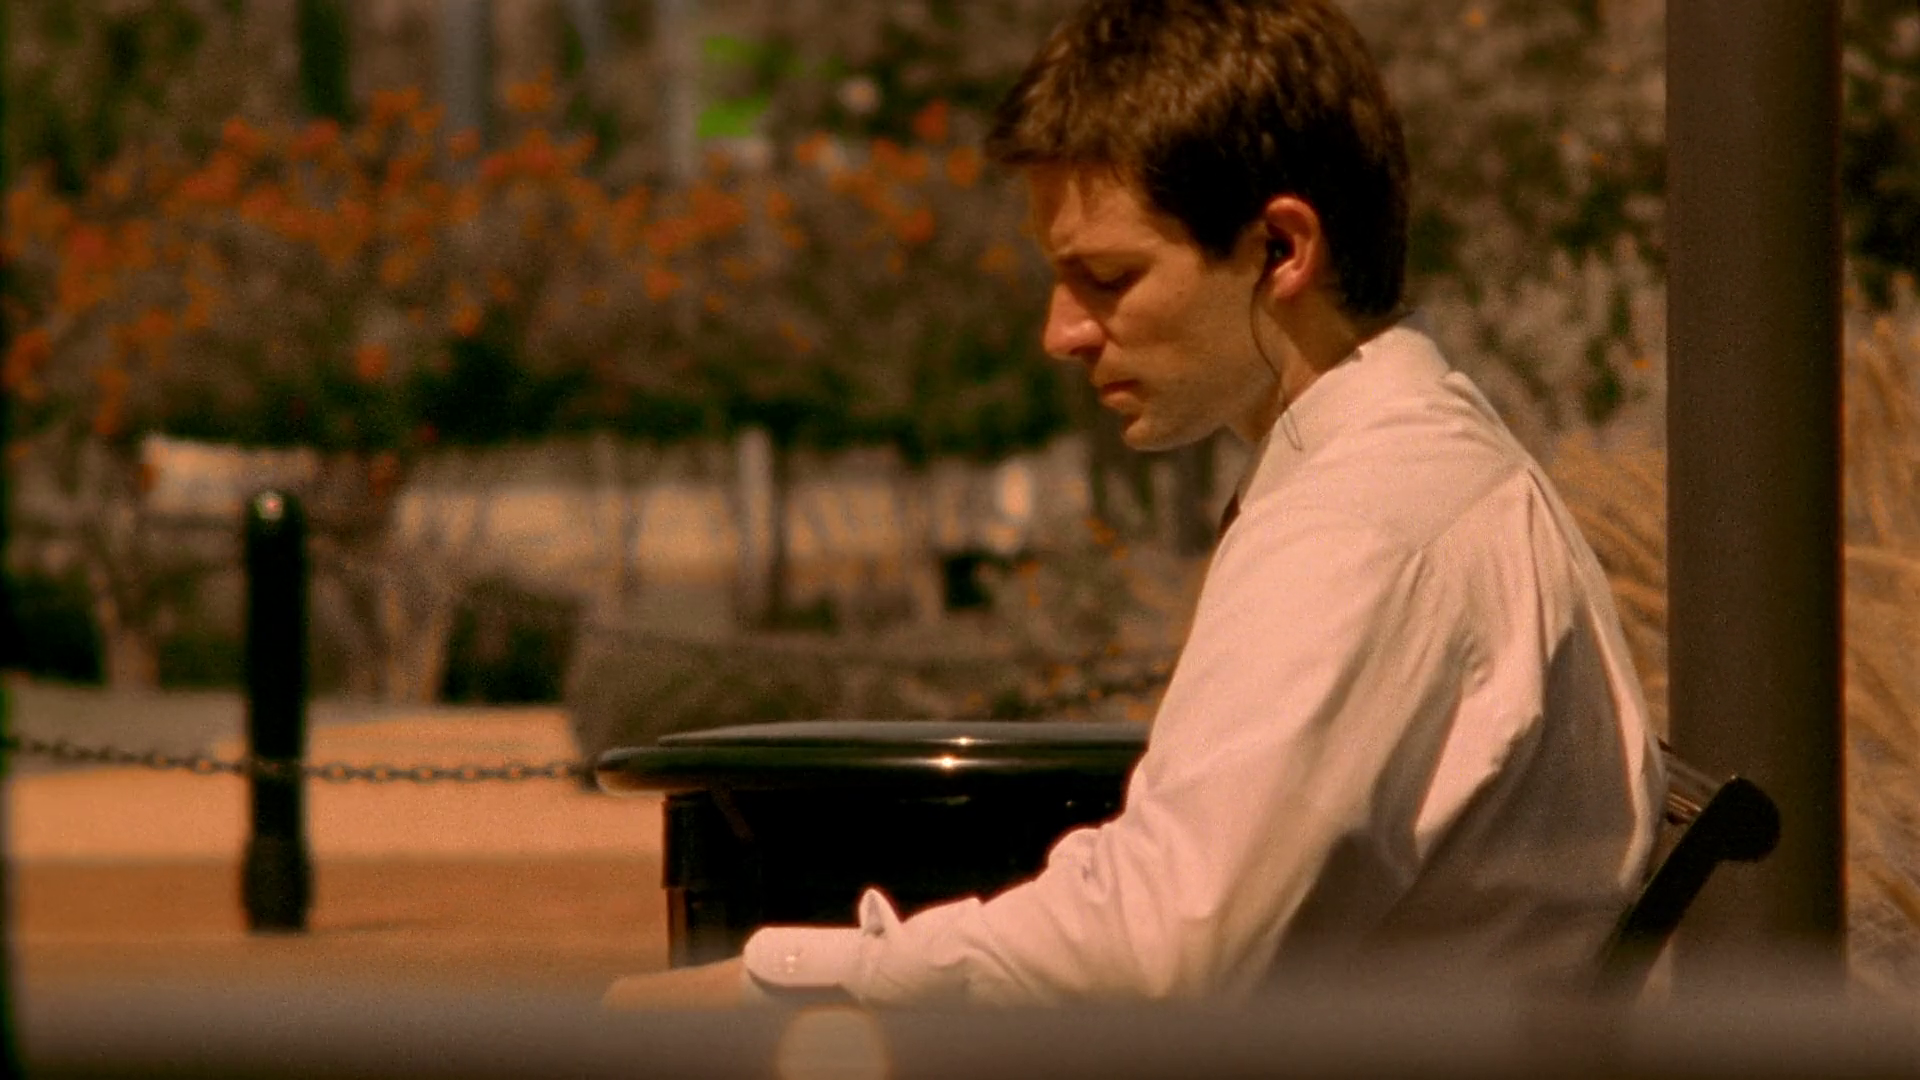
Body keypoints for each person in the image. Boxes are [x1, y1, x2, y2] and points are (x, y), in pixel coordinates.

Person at [604, 0, 1663, 1009]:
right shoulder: (1412, 469)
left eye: (1108, 277)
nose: (1061, 332)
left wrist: (769, 983)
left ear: (1282, 250)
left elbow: (1160, 949)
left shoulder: (1360, 526)